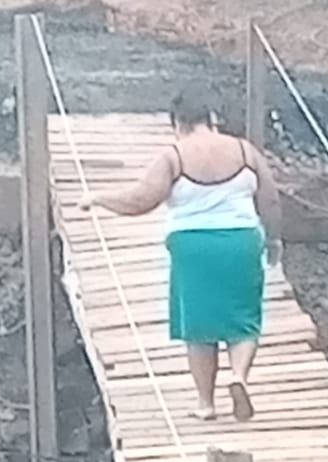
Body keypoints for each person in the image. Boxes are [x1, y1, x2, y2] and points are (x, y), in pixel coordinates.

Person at [81, 86, 282, 422]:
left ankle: (206, 404)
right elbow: (271, 199)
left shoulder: (173, 157)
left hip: (192, 246)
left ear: (177, 123)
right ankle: (239, 376)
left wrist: (99, 199)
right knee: (243, 318)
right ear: (213, 119)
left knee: (198, 326)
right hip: (241, 241)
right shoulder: (245, 152)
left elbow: (141, 200)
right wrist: (273, 239)